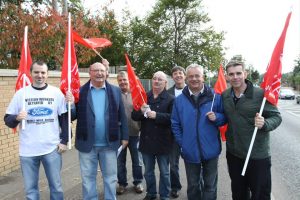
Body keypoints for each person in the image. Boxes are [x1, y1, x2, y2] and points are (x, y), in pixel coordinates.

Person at [4, 60, 69, 200]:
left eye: (43, 72)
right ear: (31, 73)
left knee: (56, 188)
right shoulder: (21, 94)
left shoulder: (55, 93)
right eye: (36, 72)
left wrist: (65, 140)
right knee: (31, 191)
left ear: (47, 74)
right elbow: (7, 120)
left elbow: (64, 119)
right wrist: (16, 118)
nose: (40, 75)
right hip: (28, 151)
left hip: (52, 149)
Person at [67, 60, 129, 200]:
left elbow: (122, 116)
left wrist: (125, 137)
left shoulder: (115, 91)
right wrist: (70, 105)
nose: (99, 73)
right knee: (88, 179)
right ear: (90, 73)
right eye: (96, 71)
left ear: (106, 72)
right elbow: (74, 115)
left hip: (110, 144)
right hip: (87, 145)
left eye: (102, 70)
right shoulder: (80, 92)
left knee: (110, 178)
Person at [222, 57, 282, 200]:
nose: (235, 77)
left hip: (257, 156)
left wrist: (265, 123)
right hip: (234, 155)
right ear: (226, 76)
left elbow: (277, 117)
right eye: (231, 74)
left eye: (238, 73)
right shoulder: (225, 95)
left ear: (245, 73)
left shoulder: (260, 94)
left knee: (260, 195)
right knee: (238, 193)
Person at [171, 64, 226, 200]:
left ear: (203, 77)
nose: (194, 79)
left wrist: (217, 117)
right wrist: (183, 143)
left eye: (197, 76)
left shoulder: (215, 97)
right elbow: (175, 124)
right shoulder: (179, 101)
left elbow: (225, 118)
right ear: (187, 78)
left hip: (211, 149)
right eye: (191, 76)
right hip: (190, 150)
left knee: (210, 186)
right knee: (193, 185)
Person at [132, 71, 174, 200]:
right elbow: (134, 116)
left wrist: (157, 116)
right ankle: (151, 194)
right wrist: (141, 111)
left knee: (165, 173)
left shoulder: (171, 99)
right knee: (148, 172)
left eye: (160, 79)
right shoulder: (144, 96)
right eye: (154, 78)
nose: (156, 81)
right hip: (147, 141)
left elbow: (174, 119)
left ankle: (165, 195)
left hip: (163, 142)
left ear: (165, 83)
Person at [116, 71, 144, 195]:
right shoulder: (115, 94)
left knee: (137, 161)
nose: (122, 82)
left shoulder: (137, 94)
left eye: (124, 79)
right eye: (120, 80)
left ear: (129, 80)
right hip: (119, 135)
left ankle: (138, 182)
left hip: (135, 133)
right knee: (119, 162)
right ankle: (122, 183)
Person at [166, 66, 186, 198]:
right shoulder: (168, 93)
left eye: (180, 73)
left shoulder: (192, 90)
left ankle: (196, 187)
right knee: (173, 164)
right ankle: (175, 186)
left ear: (184, 75)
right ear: (172, 77)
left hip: (190, 134)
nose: (178, 75)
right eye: (175, 73)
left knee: (195, 163)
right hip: (173, 134)